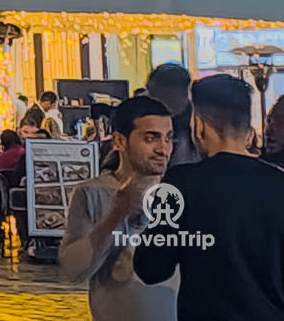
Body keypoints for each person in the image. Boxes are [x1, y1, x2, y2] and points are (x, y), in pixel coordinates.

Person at [135, 73, 284, 318]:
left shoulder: (180, 182)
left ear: (199, 125)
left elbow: (151, 268)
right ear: (247, 127)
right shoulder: (279, 183)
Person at [60, 94, 177, 321]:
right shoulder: (92, 193)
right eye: (151, 139)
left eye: (168, 138)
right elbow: (73, 269)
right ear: (120, 141)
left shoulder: (179, 192)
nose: (163, 149)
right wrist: (116, 214)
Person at [144, 64, 200, 168]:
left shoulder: (199, 125)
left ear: (184, 94)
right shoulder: (141, 120)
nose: (160, 107)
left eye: (166, 98)